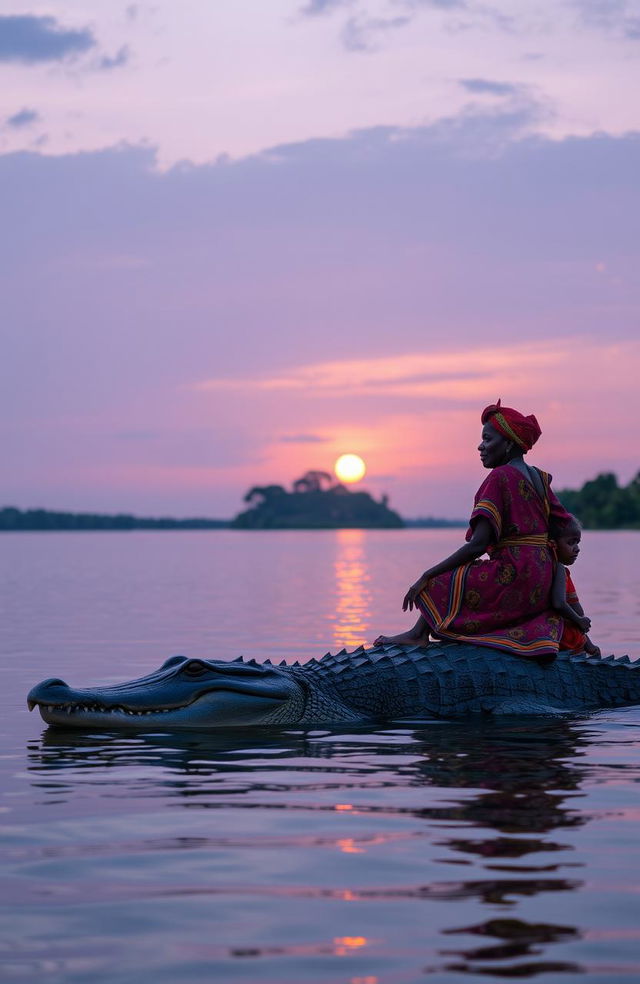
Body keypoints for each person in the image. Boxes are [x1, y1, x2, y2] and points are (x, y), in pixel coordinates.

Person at [374, 400, 572, 661]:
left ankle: (418, 633)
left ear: (509, 443)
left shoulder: (500, 476)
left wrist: (426, 575)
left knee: (439, 580)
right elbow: (565, 525)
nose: (480, 446)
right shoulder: (540, 478)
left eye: (487, 439)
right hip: (540, 578)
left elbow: (478, 545)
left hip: (514, 576)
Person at [550, 514, 601, 656]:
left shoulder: (562, 571)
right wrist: (579, 620)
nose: (577, 548)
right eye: (571, 543)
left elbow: (573, 611)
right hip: (565, 638)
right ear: (553, 543)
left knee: (594, 653)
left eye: (577, 542)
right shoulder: (558, 568)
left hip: (575, 634)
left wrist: (588, 642)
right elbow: (559, 604)